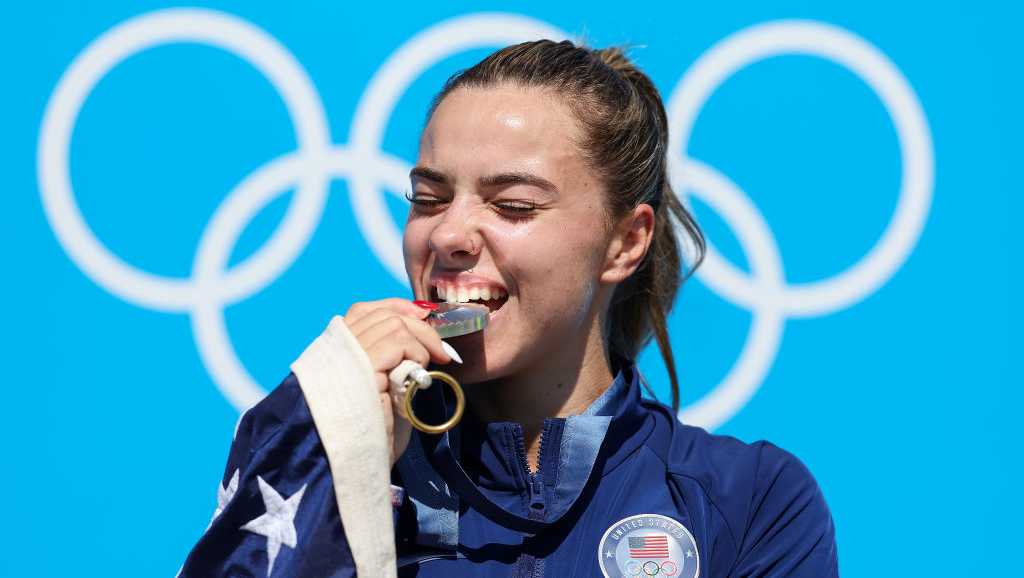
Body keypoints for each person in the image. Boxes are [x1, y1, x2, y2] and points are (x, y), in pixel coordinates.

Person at [180, 40, 838, 577]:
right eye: (429, 198)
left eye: (513, 205)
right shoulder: (323, 457)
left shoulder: (747, 500)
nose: (448, 235)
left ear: (625, 242)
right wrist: (323, 438)